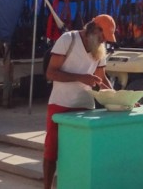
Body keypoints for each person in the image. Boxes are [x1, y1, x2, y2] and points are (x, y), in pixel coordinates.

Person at [43, 14, 117, 189]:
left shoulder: (100, 49)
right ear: (94, 28)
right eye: (103, 35)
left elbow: (101, 78)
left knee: (78, 153)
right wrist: (80, 78)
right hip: (60, 104)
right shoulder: (68, 39)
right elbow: (50, 73)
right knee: (51, 152)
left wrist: (120, 98)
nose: (104, 40)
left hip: (85, 107)